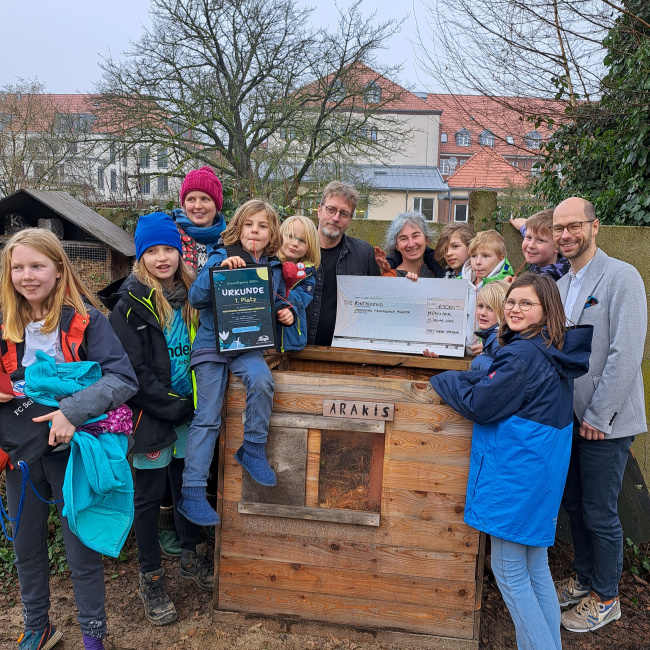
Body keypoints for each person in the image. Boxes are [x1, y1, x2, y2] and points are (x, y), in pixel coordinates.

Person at [431, 273, 593, 650]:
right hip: (542, 471)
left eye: (526, 303)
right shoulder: (553, 348)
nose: (514, 309)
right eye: (512, 301)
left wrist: (445, 380)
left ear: (546, 309)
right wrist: (483, 371)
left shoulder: (520, 355)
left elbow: (481, 404)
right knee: (535, 565)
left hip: (516, 472)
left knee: (508, 571)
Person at [0, 229, 138, 650]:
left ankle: (93, 636)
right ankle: (38, 627)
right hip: (22, 456)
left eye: (37, 266)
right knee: (26, 546)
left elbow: (122, 379)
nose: (27, 276)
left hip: (72, 453)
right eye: (18, 267)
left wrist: (71, 412)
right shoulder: (3, 323)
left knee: (81, 550)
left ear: (58, 270)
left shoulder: (86, 320)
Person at [99, 213, 213, 627]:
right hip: (153, 415)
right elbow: (133, 373)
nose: (162, 258)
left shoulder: (193, 295)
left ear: (179, 253)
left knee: (187, 484)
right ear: (140, 256)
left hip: (191, 411)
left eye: (169, 249)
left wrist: (196, 404)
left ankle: (190, 554)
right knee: (148, 497)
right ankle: (150, 575)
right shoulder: (129, 306)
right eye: (152, 251)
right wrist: (175, 406)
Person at [551, 197, 647, 633]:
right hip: (567, 420)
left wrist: (599, 415)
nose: (565, 235)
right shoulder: (560, 283)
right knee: (573, 504)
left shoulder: (622, 277)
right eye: (558, 228)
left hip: (602, 425)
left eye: (574, 226)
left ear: (594, 227)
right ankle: (585, 579)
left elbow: (626, 353)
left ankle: (607, 598)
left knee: (599, 510)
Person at [181, 200, 294, 525]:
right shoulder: (221, 254)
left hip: (245, 345)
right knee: (208, 416)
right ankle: (193, 493)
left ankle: (253, 449)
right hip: (212, 346)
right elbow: (196, 298)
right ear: (238, 229)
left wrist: (285, 312)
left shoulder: (272, 266)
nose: (255, 231)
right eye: (249, 225)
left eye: (262, 226)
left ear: (272, 232)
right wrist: (217, 271)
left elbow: (269, 304)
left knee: (263, 381)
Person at [306, 181, 380, 347]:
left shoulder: (364, 253)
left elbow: (375, 306)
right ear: (319, 210)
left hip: (346, 351)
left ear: (350, 220)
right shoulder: (296, 251)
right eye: (331, 209)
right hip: (300, 349)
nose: (336, 218)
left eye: (344, 213)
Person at [461, 230, 514, 354]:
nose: (478, 261)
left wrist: (490, 343)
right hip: (460, 355)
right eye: (473, 256)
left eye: (485, 256)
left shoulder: (506, 286)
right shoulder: (459, 283)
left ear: (501, 258)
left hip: (491, 355)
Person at [277, 215, 320, 353]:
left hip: (291, 339)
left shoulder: (308, 274)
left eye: (302, 241)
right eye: (290, 236)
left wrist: (281, 290)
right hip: (266, 338)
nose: (295, 243)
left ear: (310, 246)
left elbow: (301, 300)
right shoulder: (269, 265)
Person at [171, 166, 227, 272]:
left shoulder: (230, 240)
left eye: (205, 199)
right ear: (184, 205)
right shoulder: (171, 237)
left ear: (217, 205)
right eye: (191, 199)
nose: (197, 206)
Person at [509, 210, 570, 280]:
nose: (531, 245)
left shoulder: (543, 281)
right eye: (529, 237)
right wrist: (523, 227)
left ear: (557, 245)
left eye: (540, 240)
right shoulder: (564, 259)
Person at [375, 212, 437, 280]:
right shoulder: (390, 277)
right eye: (403, 239)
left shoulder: (438, 274)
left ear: (426, 239)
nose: (411, 244)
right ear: (396, 246)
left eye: (415, 236)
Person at [469, 280, 509, 370]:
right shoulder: (493, 336)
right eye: (480, 306)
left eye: (490, 308)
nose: (483, 313)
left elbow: (501, 372)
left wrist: (480, 360)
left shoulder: (498, 339)